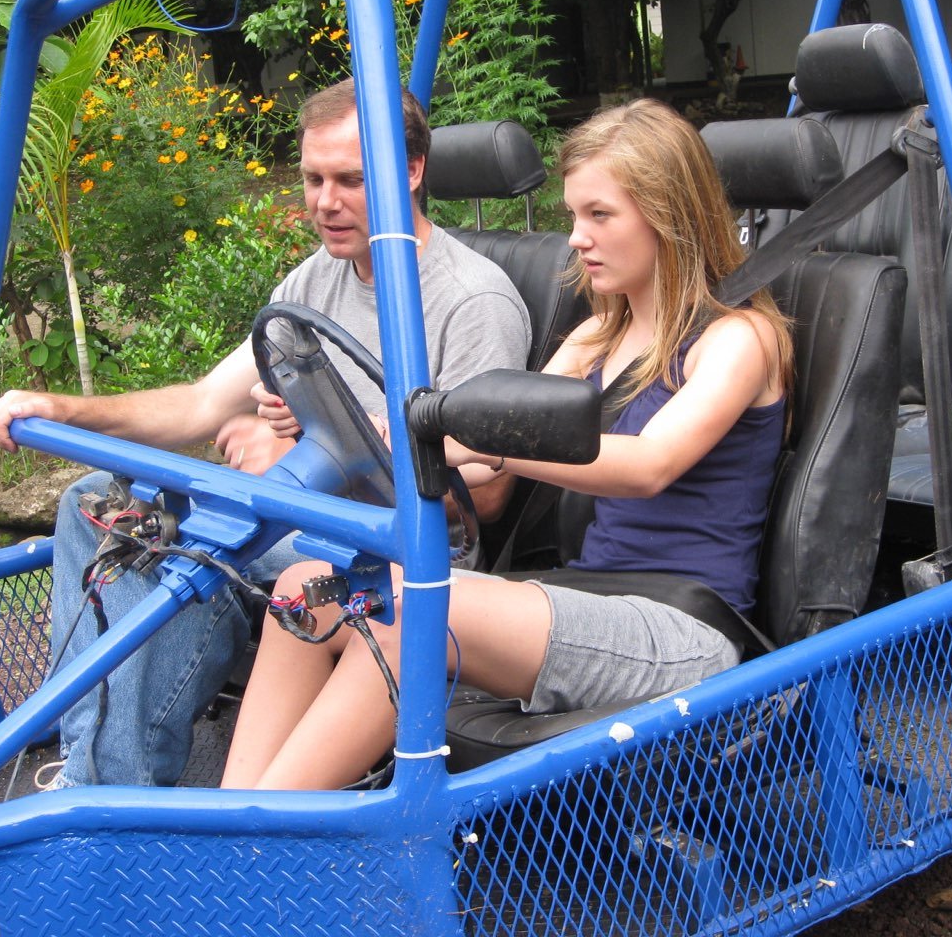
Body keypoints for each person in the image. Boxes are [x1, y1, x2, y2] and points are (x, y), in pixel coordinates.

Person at [221, 97, 793, 791]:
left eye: (599, 216)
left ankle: (261, 845)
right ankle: (235, 814)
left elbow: (647, 466)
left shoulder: (738, 339)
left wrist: (440, 428)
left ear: (666, 214)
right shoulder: (597, 338)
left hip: (681, 632)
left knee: (409, 610)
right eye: (575, 216)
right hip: (583, 598)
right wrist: (391, 441)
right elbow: (485, 442)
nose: (577, 238)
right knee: (302, 590)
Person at [0, 79, 532, 787]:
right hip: (298, 526)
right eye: (312, 179)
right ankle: (105, 775)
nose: (324, 202)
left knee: (205, 545)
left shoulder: (471, 299)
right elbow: (198, 404)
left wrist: (315, 459)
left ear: (412, 172)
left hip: (397, 555)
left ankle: (102, 790)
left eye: (351, 180)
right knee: (100, 501)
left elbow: (482, 496)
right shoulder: (313, 284)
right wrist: (61, 409)